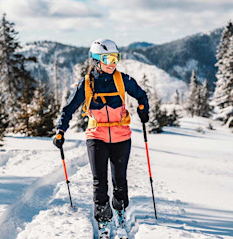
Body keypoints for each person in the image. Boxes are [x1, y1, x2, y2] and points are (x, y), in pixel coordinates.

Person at [53, 39, 149, 236]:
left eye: (116, 58)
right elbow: (68, 109)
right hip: (96, 136)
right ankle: (104, 220)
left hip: (121, 136)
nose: (113, 63)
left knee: (119, 180)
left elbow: (141, 95)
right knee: (100, 181)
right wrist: (60, 131)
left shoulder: (123, 80)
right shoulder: (86, 85)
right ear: (97, 60)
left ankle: (120, 209)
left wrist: (143, 109)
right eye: (108, 58)